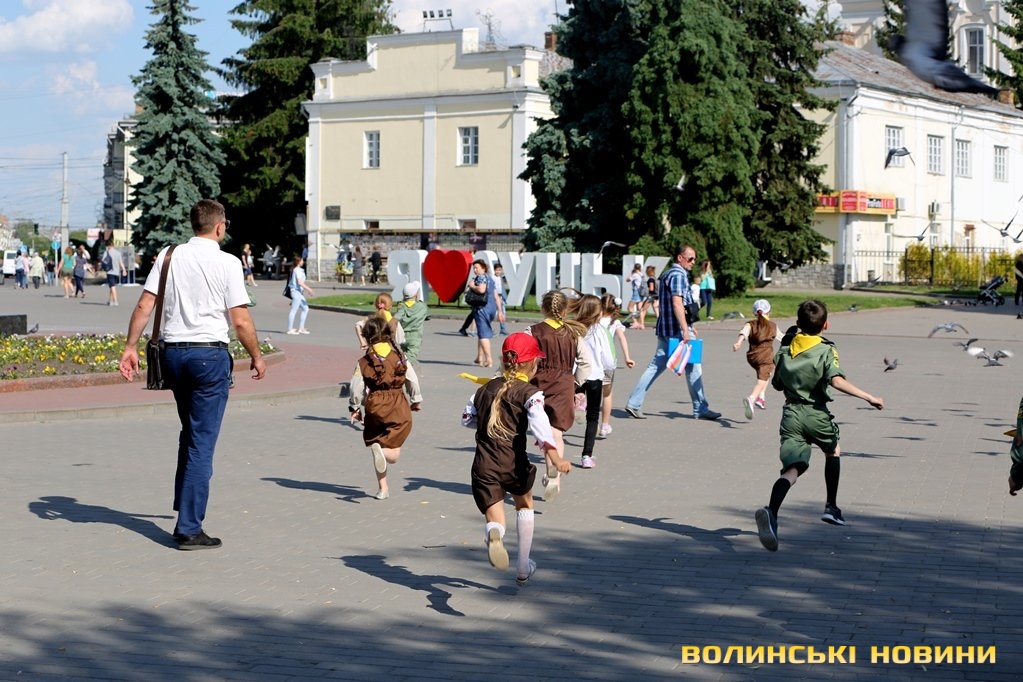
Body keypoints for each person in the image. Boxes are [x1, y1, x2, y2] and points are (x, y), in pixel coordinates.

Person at [117, 198, 267, 550]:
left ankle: (184, 508)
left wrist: (130, 347)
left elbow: (145, 305)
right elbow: (240, 320)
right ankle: (188, 527)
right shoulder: (228, 263)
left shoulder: (169, 256)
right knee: (201, 441)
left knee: (190, 432)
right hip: (208, 358)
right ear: (219, 227)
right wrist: (257, 356)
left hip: (172, 356)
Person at [754, 299, 884, 552]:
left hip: (791, 414)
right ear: (826, 325)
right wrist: (869, 397)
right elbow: (836, 381)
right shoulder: (826, 349)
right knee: (833, 450)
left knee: (792, 470)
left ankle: (771, 512)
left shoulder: (786, 349)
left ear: (797, 323)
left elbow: (777, 384)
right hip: (815, 413)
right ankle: (831, 507)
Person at [462, 332, 570, 584]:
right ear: (532, 364)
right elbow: (542, 428)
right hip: (513, 463)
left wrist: (489, 423)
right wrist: (555, 457)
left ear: (503, 360)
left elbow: (467, 419)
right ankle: (523, 565)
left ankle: (494, 534)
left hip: (484, 464)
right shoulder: (530, 394)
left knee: (495, 519)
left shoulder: (483, 389)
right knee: (524, 504)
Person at [624, 244, 721, 421]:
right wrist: (685, 329)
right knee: (693, 366)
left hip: (667, 327)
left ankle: (634, 403)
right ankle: (700, 408)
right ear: (680, 258)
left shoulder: (669, 273)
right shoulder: (678, 275)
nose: (693, 262)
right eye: (690, 258)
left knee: (657, 366)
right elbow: (677, 304)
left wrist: (690, 325)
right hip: (676, 330)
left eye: (694, 259)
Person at [349, 315, 423, 500]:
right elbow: (412, 379)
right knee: (393, 453)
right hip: (397, 404)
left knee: (378, 446)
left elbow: (355, 386)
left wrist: (355, 407)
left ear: (367, 337)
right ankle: (382, 453)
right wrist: (415, 399)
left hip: (374, 405)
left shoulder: (363, 361)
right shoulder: (399, 356)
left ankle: (383, 488)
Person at [528, 289, 592, 500]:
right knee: (557, 431)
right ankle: (553, 474)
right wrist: (575, 382)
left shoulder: (533, 331)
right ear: (565, 310)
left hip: (538, 384)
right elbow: (586, 363)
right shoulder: (572, 333)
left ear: (542, 308)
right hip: (564, 385)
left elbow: (521, 354)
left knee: (542, 429)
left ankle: (550, 469)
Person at [570, 294, 615, 469]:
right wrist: (608, 368)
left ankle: (579, 403)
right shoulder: (600, 331)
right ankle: (586, 456)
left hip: (577, 375)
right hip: (595, 375)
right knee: (593, 416)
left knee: (575, 400)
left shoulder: (573, 328)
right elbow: (608, 359)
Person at [732, 299, 783, 419]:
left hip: (752, 356)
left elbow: (744, 333)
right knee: (762, 379)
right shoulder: (772, 326)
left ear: (754, 313)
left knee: (765, 374)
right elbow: (783, 338)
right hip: (765, 357)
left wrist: (738, 343)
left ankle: (761, 397)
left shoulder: (750, 324)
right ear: (769, 312)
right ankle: (752, 398)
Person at [597, 294, 635, 438]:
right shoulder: (615, 322)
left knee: (592, 393)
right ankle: (604, 425)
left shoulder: (593, 321)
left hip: (593, 362)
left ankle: (588, 417)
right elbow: (622, 338)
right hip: (608, 363)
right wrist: (627, 357)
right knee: (607, 394)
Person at [467, 259, 502, 367]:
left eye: (477, 268)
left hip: (482, 308)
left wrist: (472, 285)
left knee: (483, 335)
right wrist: (500, 310)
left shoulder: (481, 277)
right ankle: (480, 357)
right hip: (491, 308)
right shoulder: (490, 278)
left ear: (483, 268)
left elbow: (481, 290)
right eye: (474, 268)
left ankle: (489, 360)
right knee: (482, 332)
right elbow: (496, 295)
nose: (475, 270)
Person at [392, 281, 429, 364]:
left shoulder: (401, 306)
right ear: (416, 294)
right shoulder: (422, 306)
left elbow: (396, 318)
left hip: (403, 336)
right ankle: (400, 368)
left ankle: (402, 367)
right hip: (415, 338)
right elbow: (428, 316)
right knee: (409, 359)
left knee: (404, 355)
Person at [285, 255, 316, 334]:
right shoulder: (297, 270)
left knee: (305, 308)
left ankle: (301, 328)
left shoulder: (298, 270)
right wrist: (309, 289)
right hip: (295, 292)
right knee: (294, 310)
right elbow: (300, 282)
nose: (303, 262)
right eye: (302, 260)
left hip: (299, 293)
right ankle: (290, 329)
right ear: (298, 262)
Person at [102, 241, 127, 307]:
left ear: (108, 246)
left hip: (110, 271)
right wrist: (124, 270)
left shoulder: (106, 252)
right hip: (116, 272)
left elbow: (103, 261)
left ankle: (115, 301)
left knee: (112, 286)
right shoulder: (118, 253)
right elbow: (121, 262)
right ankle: (110, 300)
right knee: (111, 285)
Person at [637, 264, 659, 329]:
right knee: (656, 310)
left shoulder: (651, 279)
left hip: (651, 296)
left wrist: (646, 288)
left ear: (648, 272)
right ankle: (659, 324)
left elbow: (651, 288)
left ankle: (641, 324)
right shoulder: (655, 278)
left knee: (642, 309)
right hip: (656, 296)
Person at [493, 263, 509, 335]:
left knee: (502, 313)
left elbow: (502, 289)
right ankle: (489, 329)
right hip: (494, 298)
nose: (498, 271)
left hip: (501, 297)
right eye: (497, 270)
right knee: (493, 314)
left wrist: (504, 298)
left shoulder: (501, 278)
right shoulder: (493, 278)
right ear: (494, 270)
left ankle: (503, 329)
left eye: (499, 270)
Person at [627, 263, 644, 328]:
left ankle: (635, 322)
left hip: (636, 292)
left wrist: (631, 273)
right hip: (641, 292)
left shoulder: (635, 275)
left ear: (634, 267)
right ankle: (641, 324)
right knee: (640, 309)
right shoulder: (641, 274)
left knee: (630, 307)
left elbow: (627, 280)